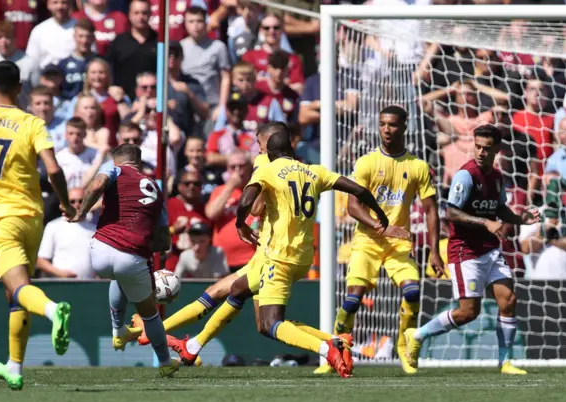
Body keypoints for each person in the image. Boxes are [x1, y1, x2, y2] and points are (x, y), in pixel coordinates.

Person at [166, 127, 389, 378]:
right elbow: (358, 189)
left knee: (271, 323)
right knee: (238, 289)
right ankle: (193, 346)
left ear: (269, 152)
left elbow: (246, 200)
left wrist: (241, 223)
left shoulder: (267, 169)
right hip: (303, 259)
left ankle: (327, 348)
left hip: (278, 257)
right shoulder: (314, 171)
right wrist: (380, 215)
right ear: (292, 149)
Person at [0, 60, 75, 390]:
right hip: (32, 217)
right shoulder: (32, 123)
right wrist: (63, 202)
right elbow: (54, 169)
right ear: (20, 88)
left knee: (20, 286)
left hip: (0, 219)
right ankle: (15, 366)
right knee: (15, 293)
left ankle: (52, 311)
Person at [315, 105, 444, 376]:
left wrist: (435, 252)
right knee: (352, 301)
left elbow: (431, 210)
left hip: (398, 246)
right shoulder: (366, 163)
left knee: (412, 292)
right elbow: (353, 206)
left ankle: (404, 347)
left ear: (404, 127)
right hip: (367, 243)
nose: (387, 129)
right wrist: (382, 227)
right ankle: (337, 352)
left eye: (393, 125)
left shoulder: (417, 166)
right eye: (383, 124)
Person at [405, 124, 541, 375]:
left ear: (497, 150)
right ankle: (419, 335)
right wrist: (485, 222)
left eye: (486, 148)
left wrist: (521, 219)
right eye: (477, 146)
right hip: (464, 251)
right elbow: (450, 212)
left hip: (489, 248)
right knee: (469, 313)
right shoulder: (465, 176)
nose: (480, 152)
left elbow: (499, 208)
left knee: (508, 300)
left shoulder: (498, 177)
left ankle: (505, 362)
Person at [133, 122, 287, 344]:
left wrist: (244, 218)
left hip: (263, 257)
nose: (237, 171)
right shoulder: (222, 190)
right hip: (237, 260)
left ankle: (328, 344)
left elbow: (255, 209)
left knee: (266, 324)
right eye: (232, 167)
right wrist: (232, 188)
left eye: (242, 166)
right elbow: (212, 212)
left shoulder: (266, 177)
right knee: (250, 313)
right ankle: (179, 341)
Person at [70, 144, 180, 376]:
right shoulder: (155, 188)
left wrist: (81, 212)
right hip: (132, 256)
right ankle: (165, 362)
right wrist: (143, 248)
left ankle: (118, 331)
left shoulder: (114, 169)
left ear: (116, 160)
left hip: (100, 250)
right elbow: (164, 241)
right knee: (149, 314)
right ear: (138, 164)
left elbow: (98, 184)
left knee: (120, 275)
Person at [37, 188, 96, 279]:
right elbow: (41, 261)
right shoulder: (53, 226)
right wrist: (60, 273)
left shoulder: (95, 229)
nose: (77, 204)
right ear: (64, 204)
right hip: (61, 286)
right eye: (72, 201)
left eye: (81, 201)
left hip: (90, 287)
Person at [26, 0, 76, 69]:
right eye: (55, 2)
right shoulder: (39, 30)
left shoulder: (79, 28)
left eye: (64, 2)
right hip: (46, 76)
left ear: (70, 4)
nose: (59, 6)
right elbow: (31, 61)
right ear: (48, 5)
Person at [58, 18, 96, 101]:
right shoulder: (63, 64)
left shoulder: (100, 63)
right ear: (74, 37)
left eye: (88, 37)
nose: (84, 41)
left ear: (93, 38)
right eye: (80, 36)